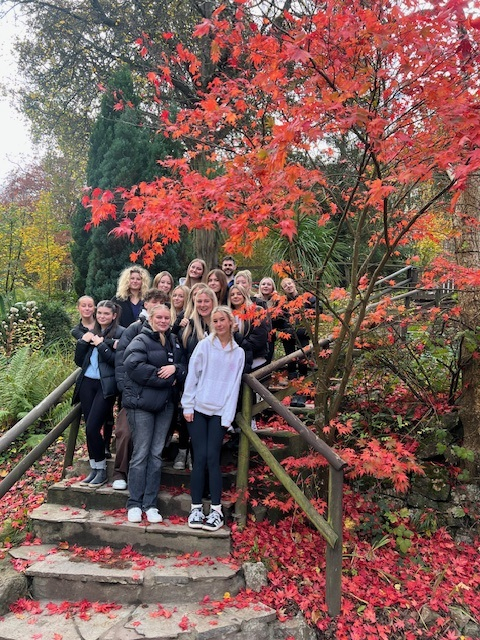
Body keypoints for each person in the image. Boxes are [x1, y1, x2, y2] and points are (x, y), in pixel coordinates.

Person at [182, 306, 245, 531]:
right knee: (199, 458)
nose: (218, 324)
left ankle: (216, 510)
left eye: (222, 320)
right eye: (215, 321)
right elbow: (193, 376)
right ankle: (196, 508)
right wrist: (187, 405)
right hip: (198, 409)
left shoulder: (238, 353)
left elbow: (235, 386)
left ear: (230, 322)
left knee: (212, 457)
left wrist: (227, 417)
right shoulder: (204, 346)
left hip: (219, 413)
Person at [122, 304, 186, 523]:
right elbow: (134, 366)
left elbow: (183, 363)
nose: (163, 320)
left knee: (156, 454)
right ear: (150, 318)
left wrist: (176, 369)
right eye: (158, 317)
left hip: (165, 405)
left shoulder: (174, 340)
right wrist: (167, 377)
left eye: (166, 317)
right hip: (142, 405)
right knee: (141, 453)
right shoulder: (141, 340)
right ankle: (134, 503)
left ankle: (150, 503)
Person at [112, 288, 169, 491]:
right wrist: (124, 389)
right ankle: (120, 472)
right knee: (126, 433)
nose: (157, 307)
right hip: (133, 393)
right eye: (153, 302)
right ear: (146, 305)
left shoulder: (168, 334)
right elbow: (122, 362)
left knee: (153, 443)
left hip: (157, 398)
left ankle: (148, 482)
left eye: (161, 303)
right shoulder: (135, 329)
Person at [73, 300, 124, 487]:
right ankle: (95, 467)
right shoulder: (91, 331)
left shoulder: (121, 333)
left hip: (106, 385)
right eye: (99, 313)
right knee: (89, 427)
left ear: (114, 315)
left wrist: (102, 345)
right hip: (87, 382)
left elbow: (116, 361)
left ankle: (101, 469)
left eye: (106, 313)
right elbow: (79, 361)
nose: (102, 316)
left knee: (93, 427)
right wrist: (83, 342)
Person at [229, 284, 269, 372]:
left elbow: (259, 339)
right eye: (232, 294)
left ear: (244, 295)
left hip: (256, 362)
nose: (235, 296)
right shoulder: (227, 315)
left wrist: (236, 334)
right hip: (235, 364)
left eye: (239, 294)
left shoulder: (257, 311)